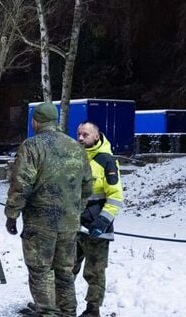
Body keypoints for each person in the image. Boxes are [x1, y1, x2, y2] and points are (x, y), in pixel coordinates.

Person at [6, 102, 93, 317]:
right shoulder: (76, 147)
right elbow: (88, 184)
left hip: (40, 223)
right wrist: (76, 210)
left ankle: (48, 313)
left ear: (35, 121)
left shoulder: (32, 146)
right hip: (69, 223)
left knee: (41, 270)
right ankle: (68, 312)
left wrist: (12, 214)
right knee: (64, 272)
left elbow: (22, 184)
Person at [73, 122, 124, 317]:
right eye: (78, 134)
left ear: (96, 137)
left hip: (97, 228)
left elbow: (116, 197)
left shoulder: (107, 161)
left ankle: (92, 311)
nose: (80, 138)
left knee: (94, 273)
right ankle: (61, 307)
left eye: (85, 135)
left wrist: (102, 222)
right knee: (65, 269)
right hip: (74, 226)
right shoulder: (75, 158)